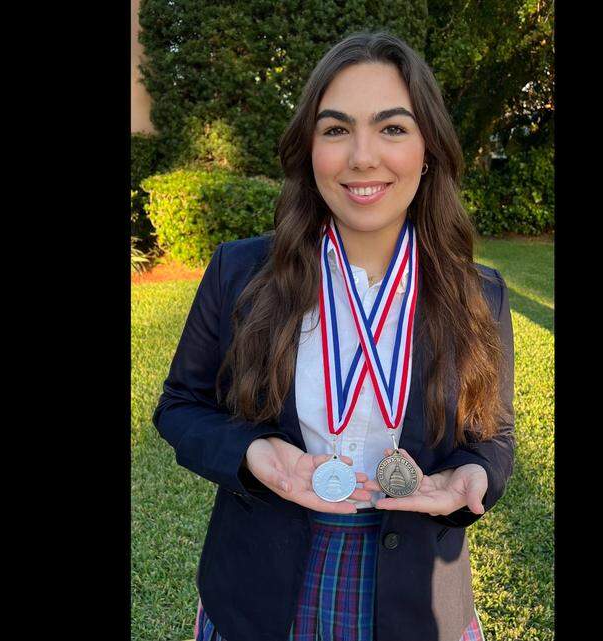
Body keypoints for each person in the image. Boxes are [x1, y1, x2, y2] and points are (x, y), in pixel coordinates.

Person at [153, 31, 515, 641]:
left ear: (428, 148)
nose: (362, 157)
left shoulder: (479, 295)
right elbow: (180, 405)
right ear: (310, 148)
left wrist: (477, 475)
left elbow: (494, 434)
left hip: (414, 592)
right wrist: (252, 453)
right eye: (336, 129)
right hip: (260, 582)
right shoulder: (239, 273)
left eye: (392, 128)